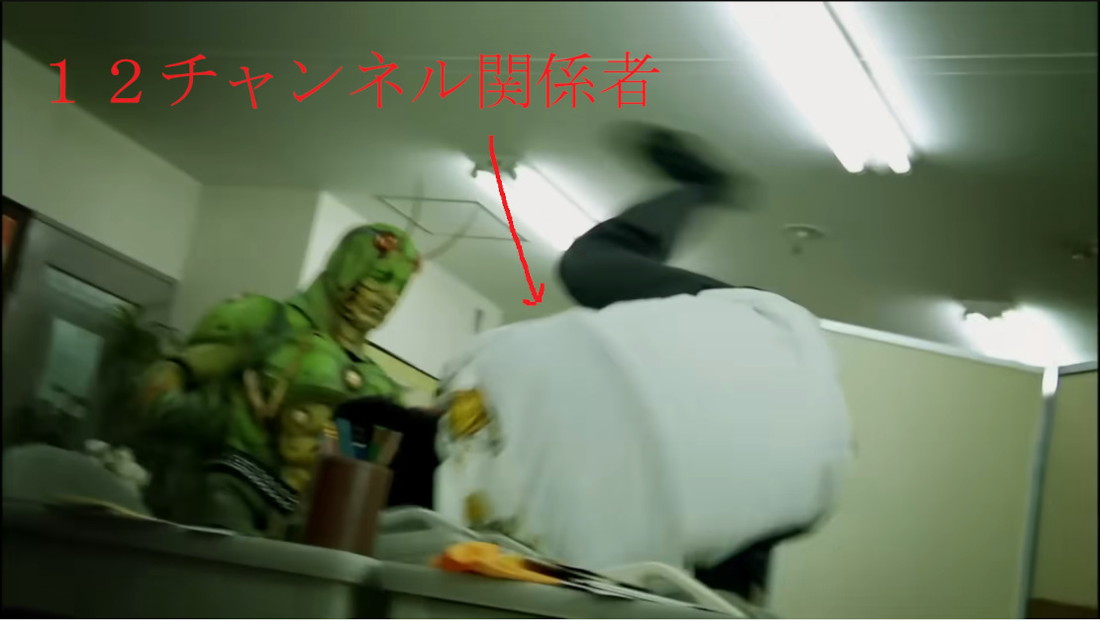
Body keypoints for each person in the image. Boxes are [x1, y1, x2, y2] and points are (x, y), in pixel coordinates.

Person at [346, 126, 853, 599]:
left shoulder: (530, 549)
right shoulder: (477, 375)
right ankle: (699, 189)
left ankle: (739, 586)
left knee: (705, 517)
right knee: (587, 265)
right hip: (764, 339)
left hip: (802, 479)